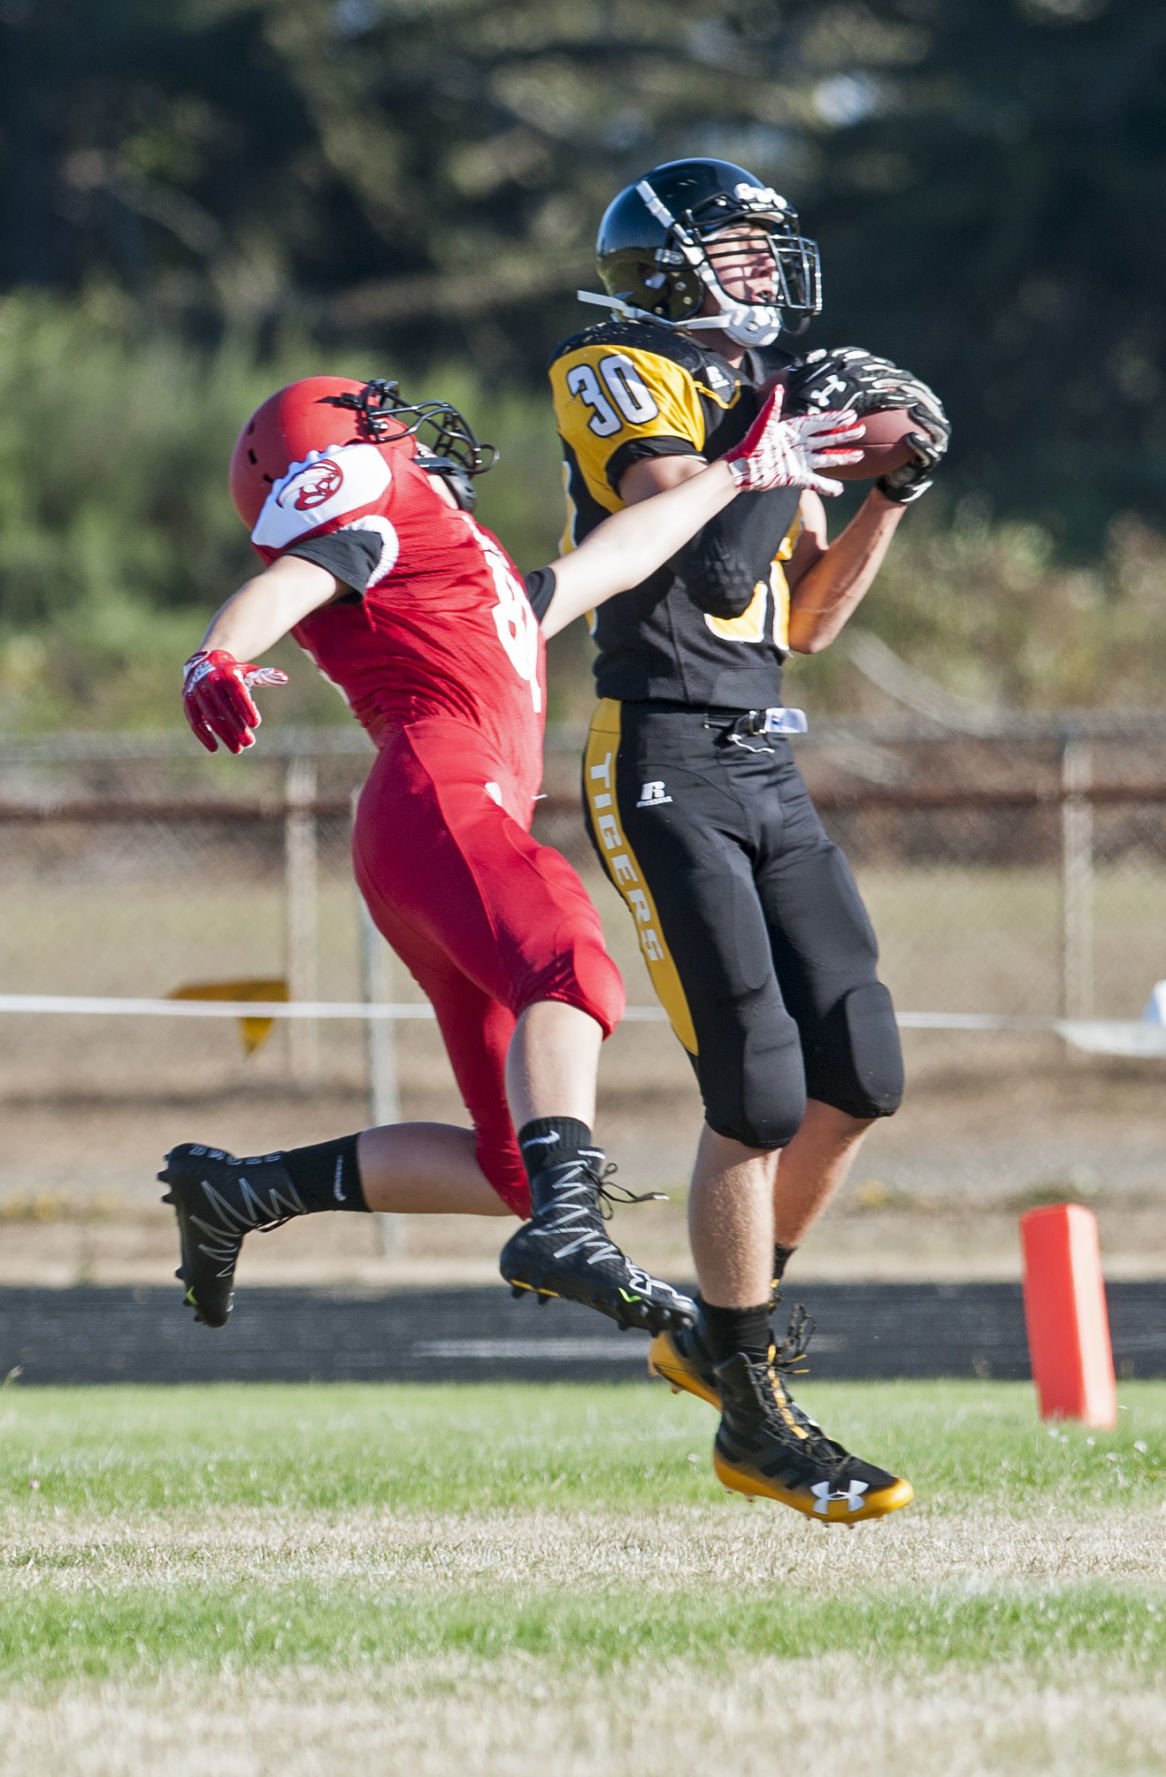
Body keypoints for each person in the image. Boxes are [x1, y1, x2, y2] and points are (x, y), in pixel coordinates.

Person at [163, 370, 863, 1345]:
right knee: (569, 962)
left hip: (417, 829)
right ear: (337, 456)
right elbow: (292, 577)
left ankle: (240, 1191)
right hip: (442, 797)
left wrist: (740, 475)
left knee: (508, 1166)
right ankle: (571, 1226)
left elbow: (610, 562)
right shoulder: (370, 514)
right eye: (384, 425)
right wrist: (219, 653)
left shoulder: (451, 561)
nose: (415, 436)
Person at [547, 158, 950, 1524]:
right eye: (736, 248)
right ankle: (754, 1406)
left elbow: (801, 619)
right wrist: (793, 422)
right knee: (759, 1089)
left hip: (759, 751)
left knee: (863, 1063)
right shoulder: (618, 362)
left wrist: (890, 489)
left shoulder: (753, 404)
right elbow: (710, 561)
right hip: (657, 752)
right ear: (664, 261)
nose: (767, 272)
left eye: (773, 252)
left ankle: (723, 1326)